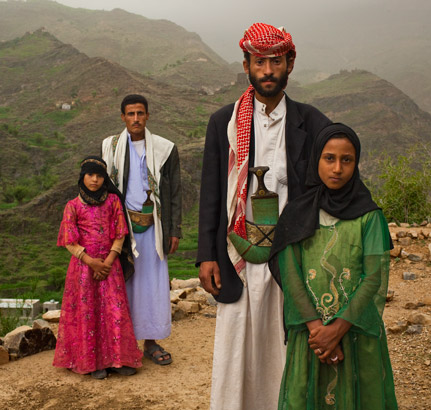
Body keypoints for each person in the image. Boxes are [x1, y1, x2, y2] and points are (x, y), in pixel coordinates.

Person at [197, 23, 332, 409]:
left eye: (276, 61)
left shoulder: (312, 123)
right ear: (246, 65)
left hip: (291, 256)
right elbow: (212, 192)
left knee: (283, 349)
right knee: (236, 347)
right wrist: (207, 254)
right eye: (260, 62)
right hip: (237, 252)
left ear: (290, 63)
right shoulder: (223, 122)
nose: (268, 70)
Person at [269, 123, 398, 409]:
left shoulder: (369, 217)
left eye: (346, 160)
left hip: (354, 333)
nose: (337, 168)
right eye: (329, 158)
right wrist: (320, 332)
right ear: (316, 160)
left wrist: (337, 329)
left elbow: (373, 277)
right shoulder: (296, 214)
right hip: (311, 337)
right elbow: (291, 276)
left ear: (356, 163)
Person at [102, 94, 181, 365]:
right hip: (122, 229)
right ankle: (123, 343)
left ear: (147, 115)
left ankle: (150, 342)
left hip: (155, 227)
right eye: (130, 114)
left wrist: (174, 230)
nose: (136, 119)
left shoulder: (165, 148)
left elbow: (174, 193)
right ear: (122, 117)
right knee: (124, 282)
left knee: (153, 284)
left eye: (140, 113)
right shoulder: (110, 147)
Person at [53, 156, 142, 379]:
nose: (95, 180)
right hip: (84, 268)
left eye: (99, 176)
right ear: (82, 177)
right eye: (90, 175)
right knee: (88, 313)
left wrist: (109, 261)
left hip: (110, 265)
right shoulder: (72, 206)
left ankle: (118, 360)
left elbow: (121, 233)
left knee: (114, 311)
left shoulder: (113, 202)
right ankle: (92, 362)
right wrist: (91, 262)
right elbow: (69, 241)